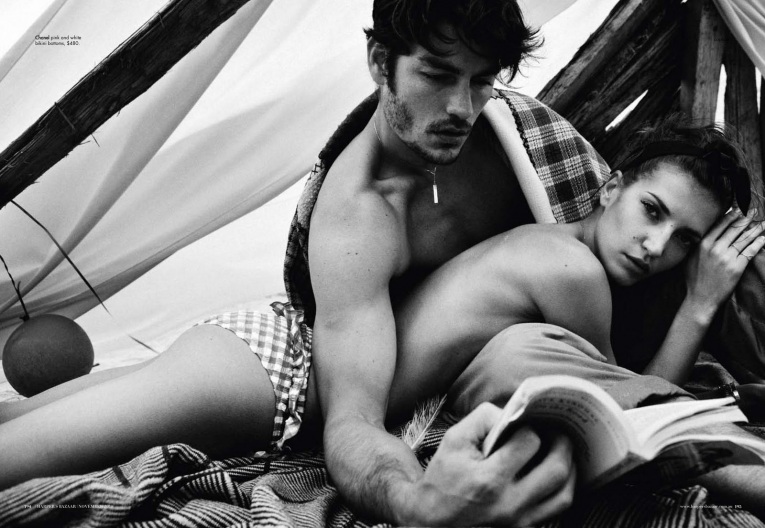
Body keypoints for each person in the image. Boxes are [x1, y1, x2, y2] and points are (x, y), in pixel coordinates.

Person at [0, 1, 579, 526]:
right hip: (270, 377)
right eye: (436, 75)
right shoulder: (359, 215)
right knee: (20, 456)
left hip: (266, 337)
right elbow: (352, 420)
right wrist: (415, 501)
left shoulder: (521, 137)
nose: (461, 107)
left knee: (12, 419)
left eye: (481, 81)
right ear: (382, 62)